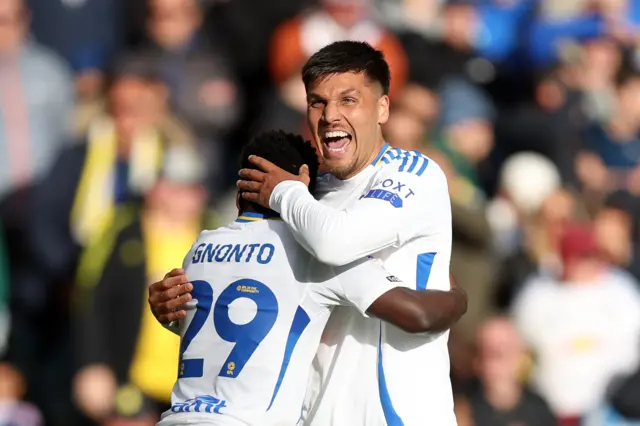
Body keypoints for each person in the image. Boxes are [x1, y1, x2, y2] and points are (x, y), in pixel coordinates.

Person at [151, 41, 461, 425]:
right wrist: (173, 309)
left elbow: (335, 242)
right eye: (317, 102)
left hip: (394, 415)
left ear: (382, 108)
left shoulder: (412, 174)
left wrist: (282, 190)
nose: (331, 115)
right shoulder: (305, 197)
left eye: (349, 100)